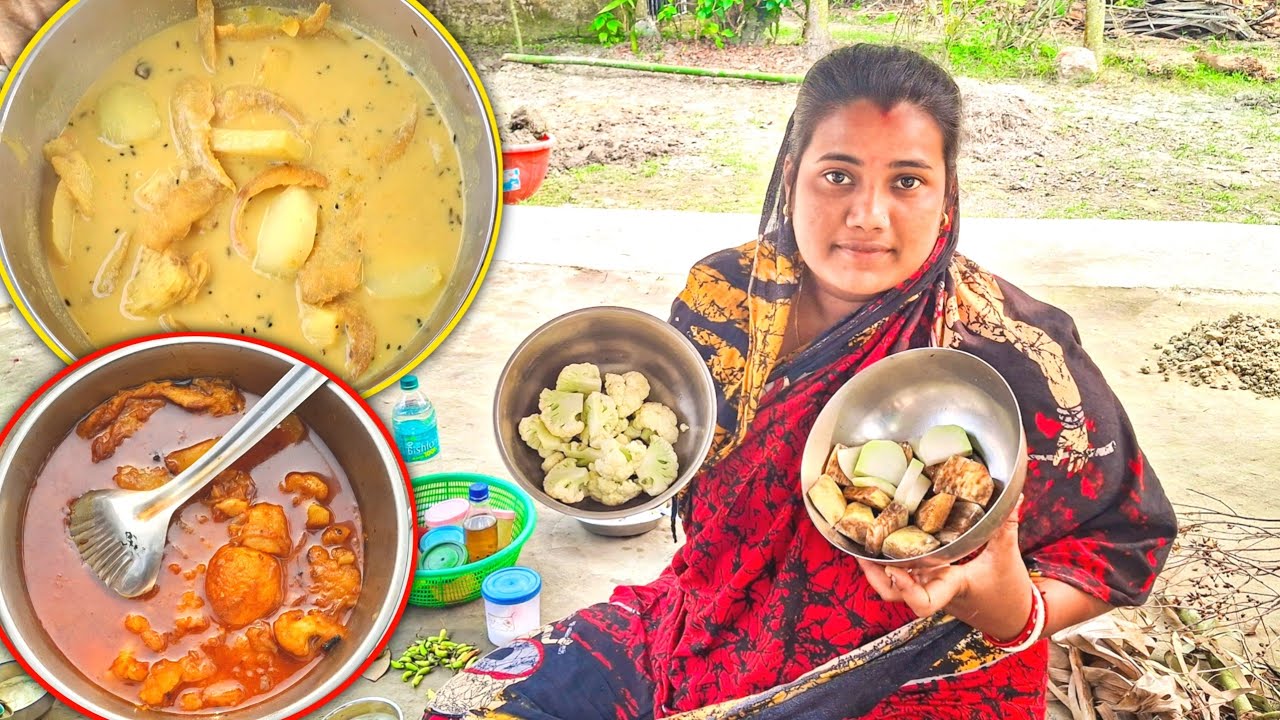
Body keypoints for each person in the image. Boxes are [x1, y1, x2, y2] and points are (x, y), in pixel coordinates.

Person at [428, 42, 1177, 720]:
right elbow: (685, 459)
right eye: (838, 175)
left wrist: (1007, 603)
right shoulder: (722, 297)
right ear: (793, 175)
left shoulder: (1013, 349)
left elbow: (1128, 538)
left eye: (908, 181)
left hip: (911, 672)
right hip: (710, 620)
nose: (867, 215)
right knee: (474, 706)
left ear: (948, 195)